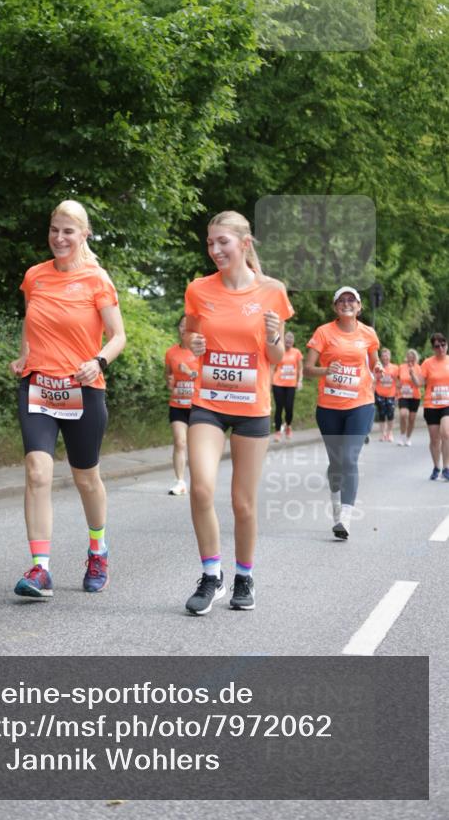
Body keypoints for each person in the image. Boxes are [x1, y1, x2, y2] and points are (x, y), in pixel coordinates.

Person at [10, 199, 126, 599]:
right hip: (39, 385)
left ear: (84, 235)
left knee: (85, 478)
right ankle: (40, 569)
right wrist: (25, 354)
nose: (60, 238)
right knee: (37, 471)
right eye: (55, 230)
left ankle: (98, 550)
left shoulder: (97, 279)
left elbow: (118, 336)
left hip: (82, 388)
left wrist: (98, 361)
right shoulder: (35, 277)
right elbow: (32, 321)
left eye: (68, 231)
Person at [183, 211, 292, 615]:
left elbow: (277, 357)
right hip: (208, 402)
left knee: (243, 503)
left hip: (251, 407)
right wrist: (193, 344)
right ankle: (212, 575)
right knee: (200, 488)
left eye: (222, 242)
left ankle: (244, 575)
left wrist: (272, 335)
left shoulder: (272, 292)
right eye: (210, 243)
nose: (214, 250)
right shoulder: (198, 289)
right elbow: (190, 331)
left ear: (244, 244)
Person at [304, 287, 382, 540]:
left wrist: (378, 367)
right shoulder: (323, 332)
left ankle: (345, 518)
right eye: (342, 300)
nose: (347, 303)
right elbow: (307, 369)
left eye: (352, 300)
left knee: (349, 458)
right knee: (336, 462)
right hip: (329, 407)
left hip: (360, 403)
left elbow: (373, 362)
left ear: (359, 307)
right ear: (335, 306)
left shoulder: (368, 334)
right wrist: (326, 370)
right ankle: (336, 504)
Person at [164, 315, 199, 495]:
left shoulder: (201, 352)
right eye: (181, 325)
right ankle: (180, 481)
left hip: (198, 406)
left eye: (188, 326)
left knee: (196, 447)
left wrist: (190, 372)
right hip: (177, 404)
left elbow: (206, 379)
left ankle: (200, 482)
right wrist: (170, 384)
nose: (184, 328)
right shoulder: (171, 353)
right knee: (180, 441)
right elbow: (168, 377)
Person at [412, 333, 449, 480]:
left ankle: (447, 468)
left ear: (446, 345)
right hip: (431, 404)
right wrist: (412, 375)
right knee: (434, 439)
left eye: (442, 344)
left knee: (446, 433)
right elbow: (419, 383)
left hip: (447, 404)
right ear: (433, 348)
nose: (440, 348)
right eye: (436, 346)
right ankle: (436, 467)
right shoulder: (427, 363)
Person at [271, 331, 303, 442]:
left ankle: (288, 426)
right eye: (287, 340)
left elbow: (300, 368)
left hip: (291, 385)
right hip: (278, 383)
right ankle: (278, 432)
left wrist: (300, 381)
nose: (289, 342)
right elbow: (273, 367)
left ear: (293, 342)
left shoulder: (296, 352)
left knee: (289, 408)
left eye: (291, 340)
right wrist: (270, 381)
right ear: (284, 341)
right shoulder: (279, 351)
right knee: (279, 408)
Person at [396, 349, 422, 447]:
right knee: (403, 414)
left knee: (411, 419)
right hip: (403, 395)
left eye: (412, 356)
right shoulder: (401, 367)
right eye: (409, 356)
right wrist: (397, 387)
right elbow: (398, 379)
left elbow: (419, 384)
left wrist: (412, 374)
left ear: (415, 358)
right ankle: (402, 436)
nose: (410, 358)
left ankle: (408, 438)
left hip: (415, 396)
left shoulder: (419, 368)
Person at [374, 348, 398, 442]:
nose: (385, 357)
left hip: (391, 394)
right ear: (381, 357)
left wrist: (398, 394)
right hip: (380, 394)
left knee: (391, 414)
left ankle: (390, 433)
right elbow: (375, 380)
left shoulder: (395, 368)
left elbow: (397, 381)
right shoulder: (378, 367)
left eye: (387, 355)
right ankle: (382, 433)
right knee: (381, 414)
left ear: (390, 356)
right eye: (383, 356)